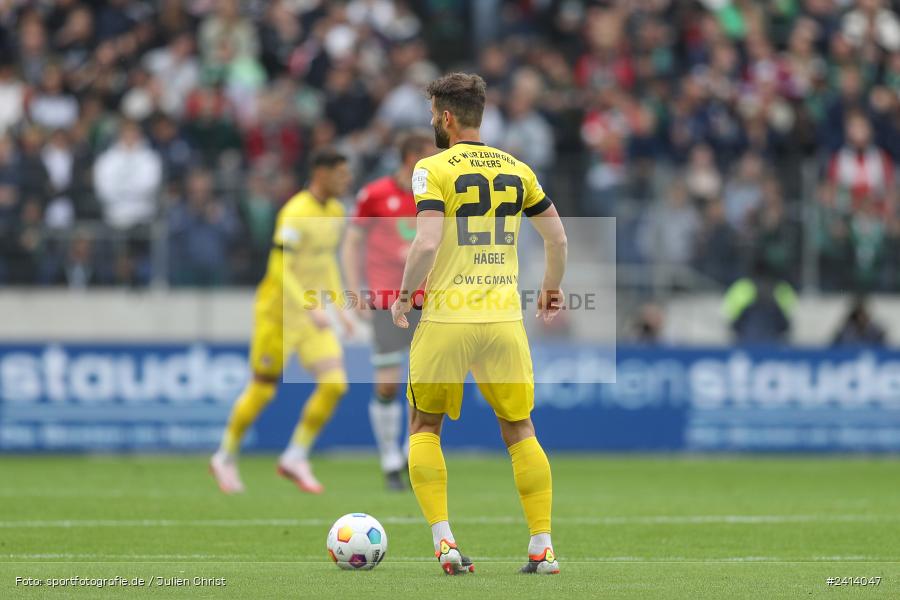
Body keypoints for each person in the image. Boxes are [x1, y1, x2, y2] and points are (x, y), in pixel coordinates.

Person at [390, 73, 566, 575]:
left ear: (445, 117)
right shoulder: (517, 168)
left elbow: (425, 243)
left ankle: (445, 544)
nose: (432, 123)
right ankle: (542, 547)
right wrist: (551, 288)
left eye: (432, 115)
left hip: (448, 317)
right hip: (504, 319)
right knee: (520, 428)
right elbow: (557, 239)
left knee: (425, 425)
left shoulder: (431, 168)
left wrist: (404, 297)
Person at [210, 149, 353, 494]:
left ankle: (295, 455)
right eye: (340, 174)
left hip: (310, 317)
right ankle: (225, 456)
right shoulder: (295, 212)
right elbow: (279, 268)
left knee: (335, 384)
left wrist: (340, 305)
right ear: (320, 173)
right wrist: (310, 305)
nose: (346, 181)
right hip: (278, 314)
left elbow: (325, 263)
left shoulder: (335, 212)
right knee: (262, 390)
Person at [341, 130, 435, 491]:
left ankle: (411, 454)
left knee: (424, 387)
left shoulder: (437, 194)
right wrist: (354, 291)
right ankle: (390, 461)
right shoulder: (375, 194)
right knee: (387, 383)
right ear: (411, 158)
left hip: (429, 300)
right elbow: (352, 241)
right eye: (427, 156)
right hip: (385, 298)